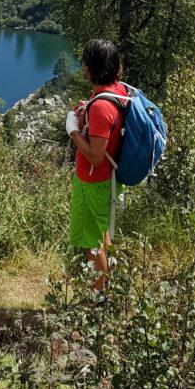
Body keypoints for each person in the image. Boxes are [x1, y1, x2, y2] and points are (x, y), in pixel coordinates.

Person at [65, 38, 127, 289]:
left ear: (91, 68)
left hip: (95, 181)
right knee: (100, 234)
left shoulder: (102, 106)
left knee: (92, 242)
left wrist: (73, 131)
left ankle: (99, 298)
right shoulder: (115, 91)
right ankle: (105, 284)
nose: (82, 69)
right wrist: (87, 109)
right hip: (98, 180)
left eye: (84, 64)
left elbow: (95, 155)